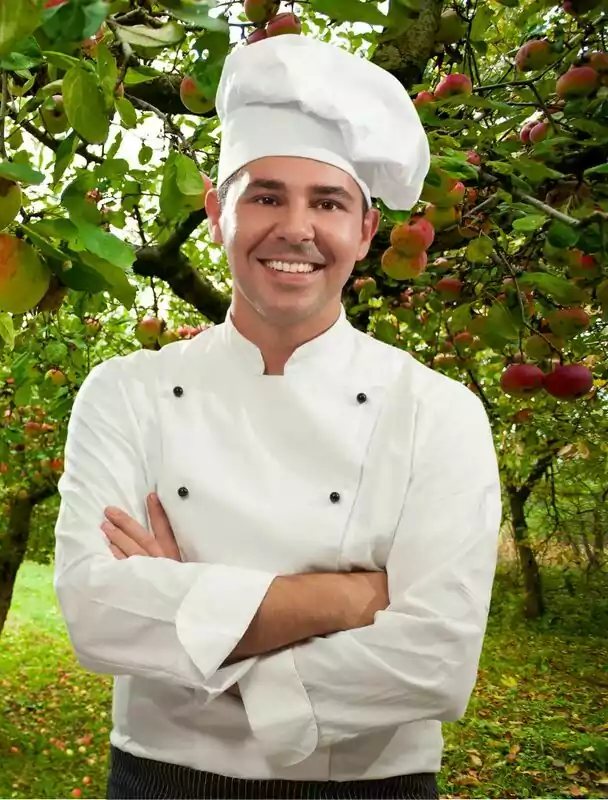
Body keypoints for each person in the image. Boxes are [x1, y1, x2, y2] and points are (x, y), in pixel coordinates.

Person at [51, 33, 503, 800]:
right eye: (265, 195)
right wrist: (348, 599)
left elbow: (437, 660)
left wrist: (193, 625)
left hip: (369, 788)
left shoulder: (439, 413)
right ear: (217, 212)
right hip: (162, 781)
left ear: (365, 231)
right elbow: (95, 612)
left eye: (327, 202)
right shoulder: (124, 392)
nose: (296, 229)